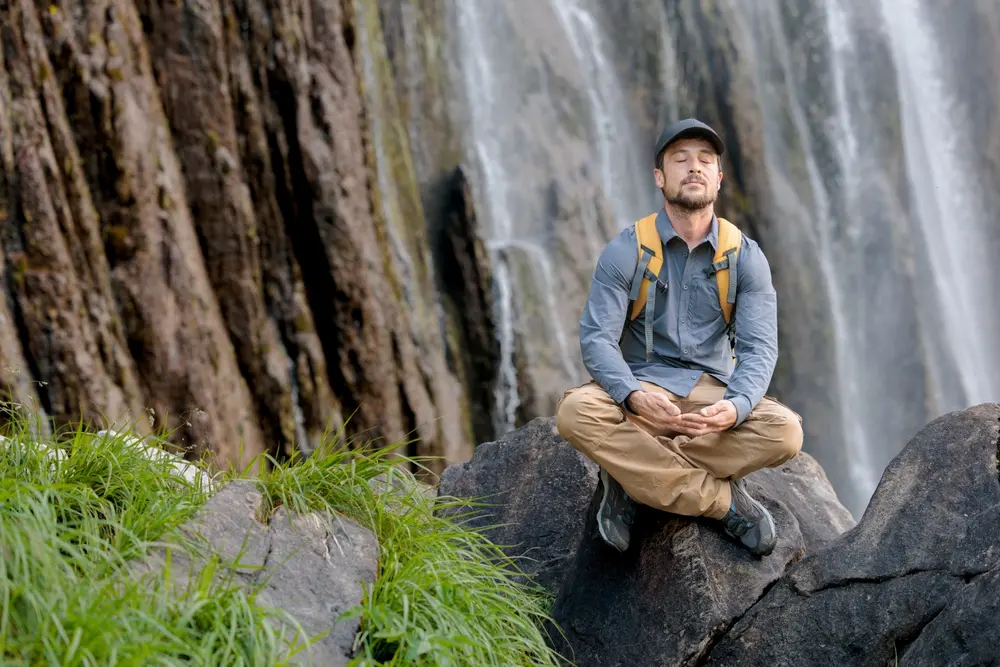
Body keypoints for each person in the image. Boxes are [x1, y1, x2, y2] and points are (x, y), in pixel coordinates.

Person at [555, 118, 803, 557]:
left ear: (719, 178)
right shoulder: (626, 249)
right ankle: (724, 503)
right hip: (642, 394)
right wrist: (631, 396)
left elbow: (759, 349)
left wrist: (736, 406)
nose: (694, 168)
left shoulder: (745, 257)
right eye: (680, 159)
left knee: (785, 433)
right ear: (659, 177)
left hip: (710, 394)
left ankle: (630, 475)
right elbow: (596, 338)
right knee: (575, 413)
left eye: (705, 160)